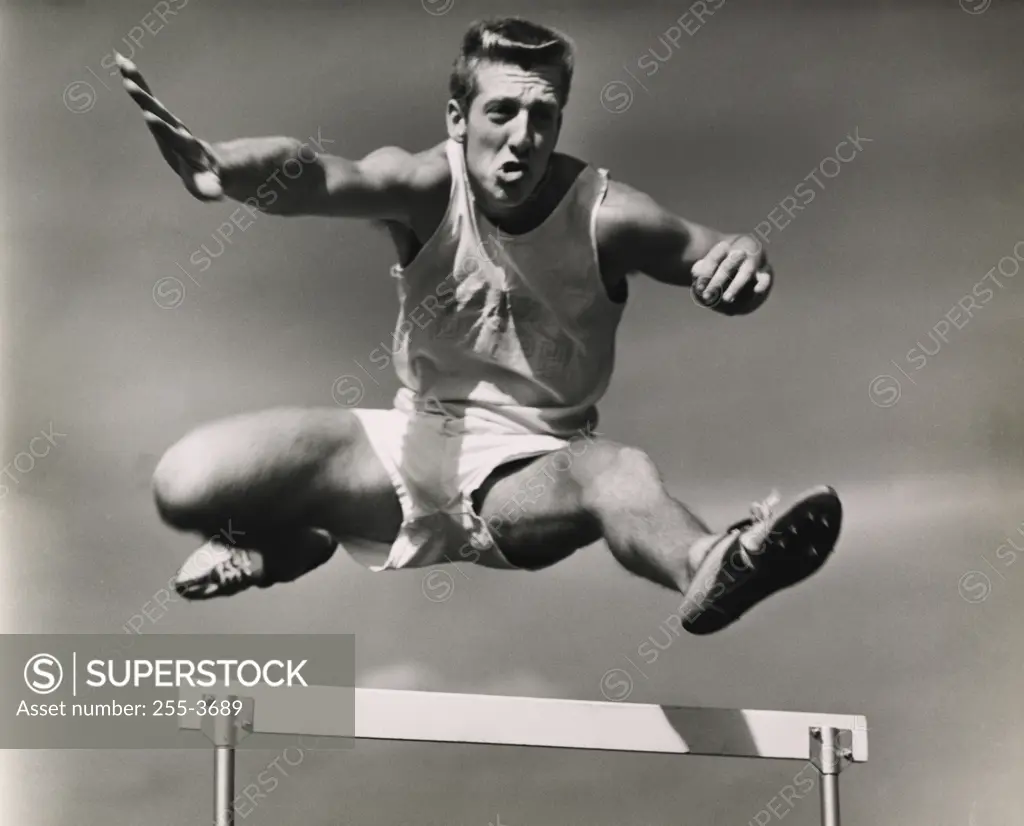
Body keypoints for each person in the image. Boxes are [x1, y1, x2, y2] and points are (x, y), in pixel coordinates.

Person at [119, 17, 841, 635]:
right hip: (411, 443)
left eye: (544, 117)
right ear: (458, 119)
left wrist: (748, 262)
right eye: (501, 113)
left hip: (538, 465)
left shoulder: (609, 214)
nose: (523, 140)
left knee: (618, 470)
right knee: (188, 480)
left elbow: (720, 257)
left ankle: (715, 564)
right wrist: (227, 168)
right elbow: (318, 176)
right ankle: (293, 543)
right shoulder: (426, 185)